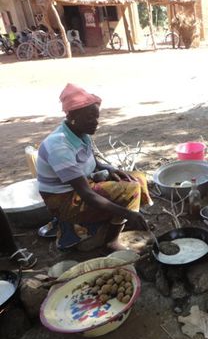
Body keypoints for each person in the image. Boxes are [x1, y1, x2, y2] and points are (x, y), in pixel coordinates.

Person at [36, 83, 152, 251]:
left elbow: (92, 162)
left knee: (137, 178)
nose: (96, 122)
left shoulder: (80, 133)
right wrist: (126, 213)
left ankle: (122, 222)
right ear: (73, 117)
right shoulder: (59, 146)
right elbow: (87, 194)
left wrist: (110, 168)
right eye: (90, 118)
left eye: (96, 117)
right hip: (65, 200)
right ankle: (112, 240)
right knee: (130, 189)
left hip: (82, 186)